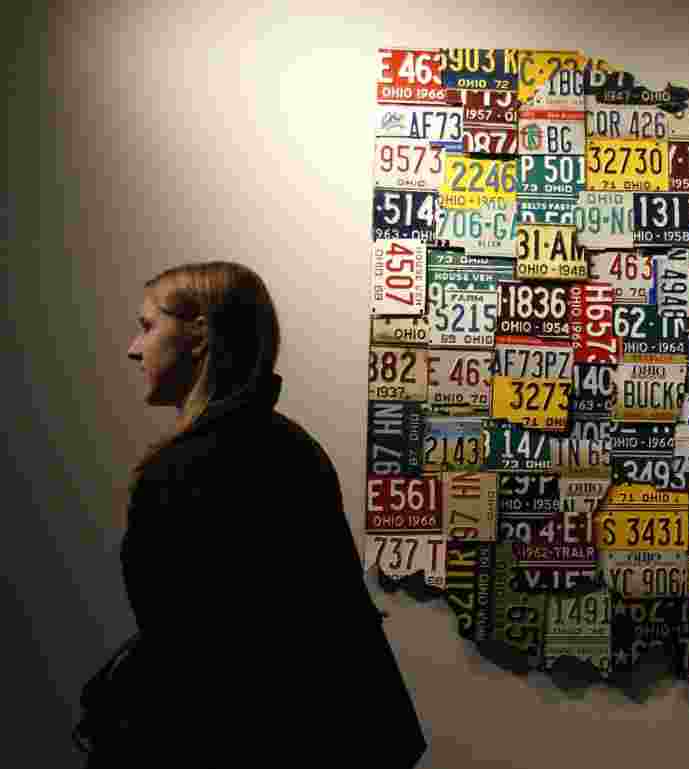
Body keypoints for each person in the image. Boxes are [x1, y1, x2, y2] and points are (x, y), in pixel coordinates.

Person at [74, 262, 427, 768]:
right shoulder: (292, 446)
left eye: (149, 326)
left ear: (200, 335)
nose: (134, 347)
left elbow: (193, 660)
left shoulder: (183, 469)